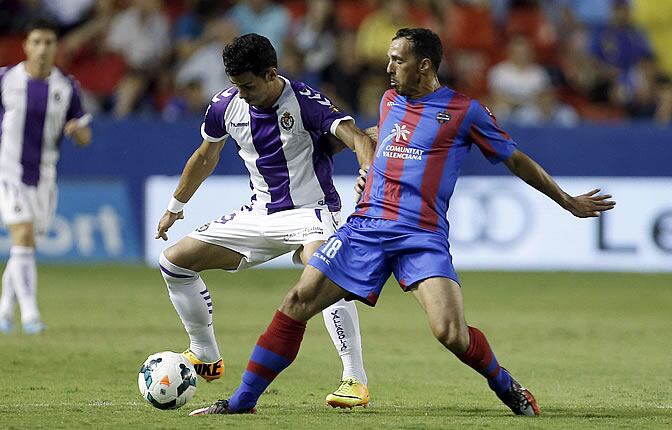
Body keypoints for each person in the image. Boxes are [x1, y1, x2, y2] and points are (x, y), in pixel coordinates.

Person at [189, 28, 616, 417]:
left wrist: (566, 200)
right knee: (297, 302)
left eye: (398, 60)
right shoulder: (390, 101)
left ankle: (505, 384)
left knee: (450, 333)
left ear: (424, 65)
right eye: (390, 58)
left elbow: (516, 159)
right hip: (366, 227)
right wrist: (365, 169)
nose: (388, 67)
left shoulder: (464, 111)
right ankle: (242, 402)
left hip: (422, 235)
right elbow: (382, 140)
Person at [155, 33, 375, 408]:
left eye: (248, 86)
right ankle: (205, 355)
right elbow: (205, 156)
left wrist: (367, 170)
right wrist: (176, 205)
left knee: (327, 272)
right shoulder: (225, 106)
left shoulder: (304, 101)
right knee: (174, 261)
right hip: (259, 214)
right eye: (235, 85)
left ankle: (354, 379)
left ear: (272, 73)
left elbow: (356, 135)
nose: (241, 94)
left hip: (312, 212)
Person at [0, 18, 92, 334]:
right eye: (36, 41)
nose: (42, 48)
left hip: (44, 178)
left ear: (56, 47)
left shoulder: (66, 87)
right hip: (8, 173)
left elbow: (84, 135)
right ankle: (30, 315)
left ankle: (3, 310)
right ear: (25, 45)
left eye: (48, 42)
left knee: (24, 246)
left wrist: (78, 132)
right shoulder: (5, 80)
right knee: (23, 236)